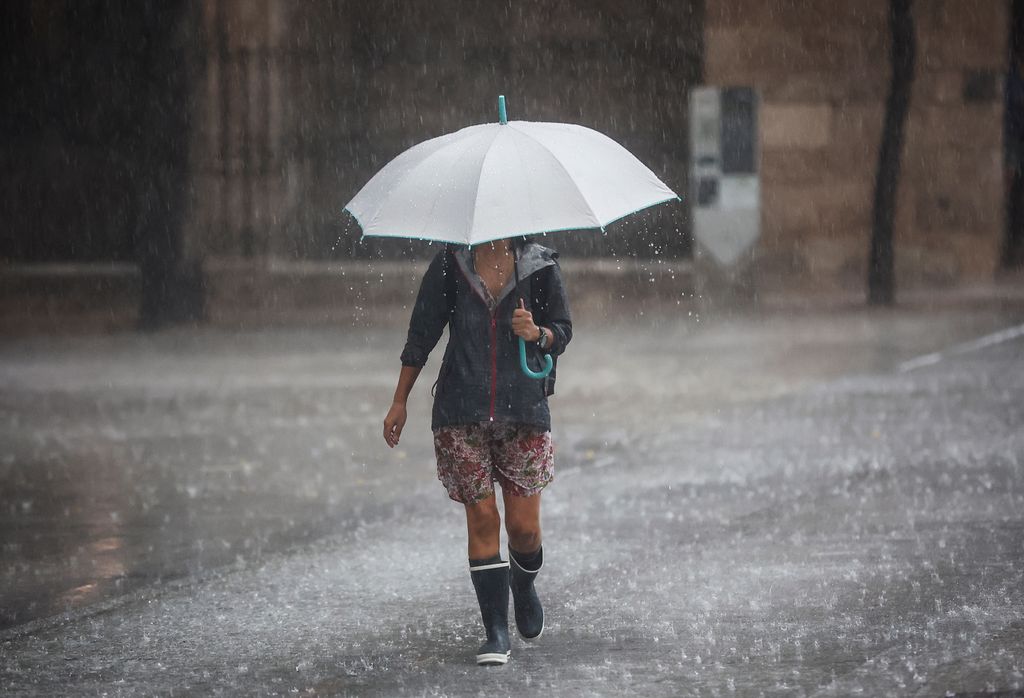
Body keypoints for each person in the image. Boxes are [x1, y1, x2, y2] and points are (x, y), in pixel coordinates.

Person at [382, 236, 572, 666]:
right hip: (460, 408)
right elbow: (422, 332)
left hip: (523, 408)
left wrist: (538, 333)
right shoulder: (451, 264)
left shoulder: (539, 266)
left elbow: (562, 330)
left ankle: (522, 588)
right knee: (482, 516)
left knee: (523, 528)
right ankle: (496, 632)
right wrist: (400, 400)